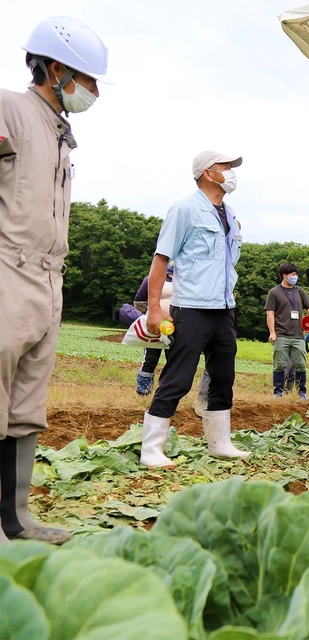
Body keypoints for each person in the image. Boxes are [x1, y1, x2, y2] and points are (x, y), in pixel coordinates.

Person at [0, 17, 110, 545]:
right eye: (88, 80)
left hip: (49, 276)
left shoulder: (62, 131)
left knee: (26, 403)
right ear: (57, 68)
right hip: (8, 265)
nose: (92, 91)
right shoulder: (11, 109)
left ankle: (17, 519)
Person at [140, 150, 249, 468]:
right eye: (225, 167)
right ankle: (151, 448)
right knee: (178, 377)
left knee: (223, 377)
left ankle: (220, 443)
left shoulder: (230, 215)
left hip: (224, 309)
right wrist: (154, 308)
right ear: (206, 172)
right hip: (191, 309)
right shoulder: (184, 209)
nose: (231, 172)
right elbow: (161, 259)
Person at [265, 263, 309, 400]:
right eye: (292, 274)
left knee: (300, 364)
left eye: (296, 274)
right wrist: (272, 332)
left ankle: (302, 392)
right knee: (280, 364)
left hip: (298, 336)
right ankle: (277, 392)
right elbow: (270, 314)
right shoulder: (274, 292)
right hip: (281, 335)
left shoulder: (300, 291)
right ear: (284, 275)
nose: (295, 277)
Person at [134, 262, 174, 395]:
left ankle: (168, 392)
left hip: (177, 328)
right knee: (150, 359)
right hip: (155, 326)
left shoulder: (187, 281)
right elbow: (139, 302)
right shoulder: (150, 280)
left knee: (174, 361)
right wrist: (151, 315)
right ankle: (143, 391)